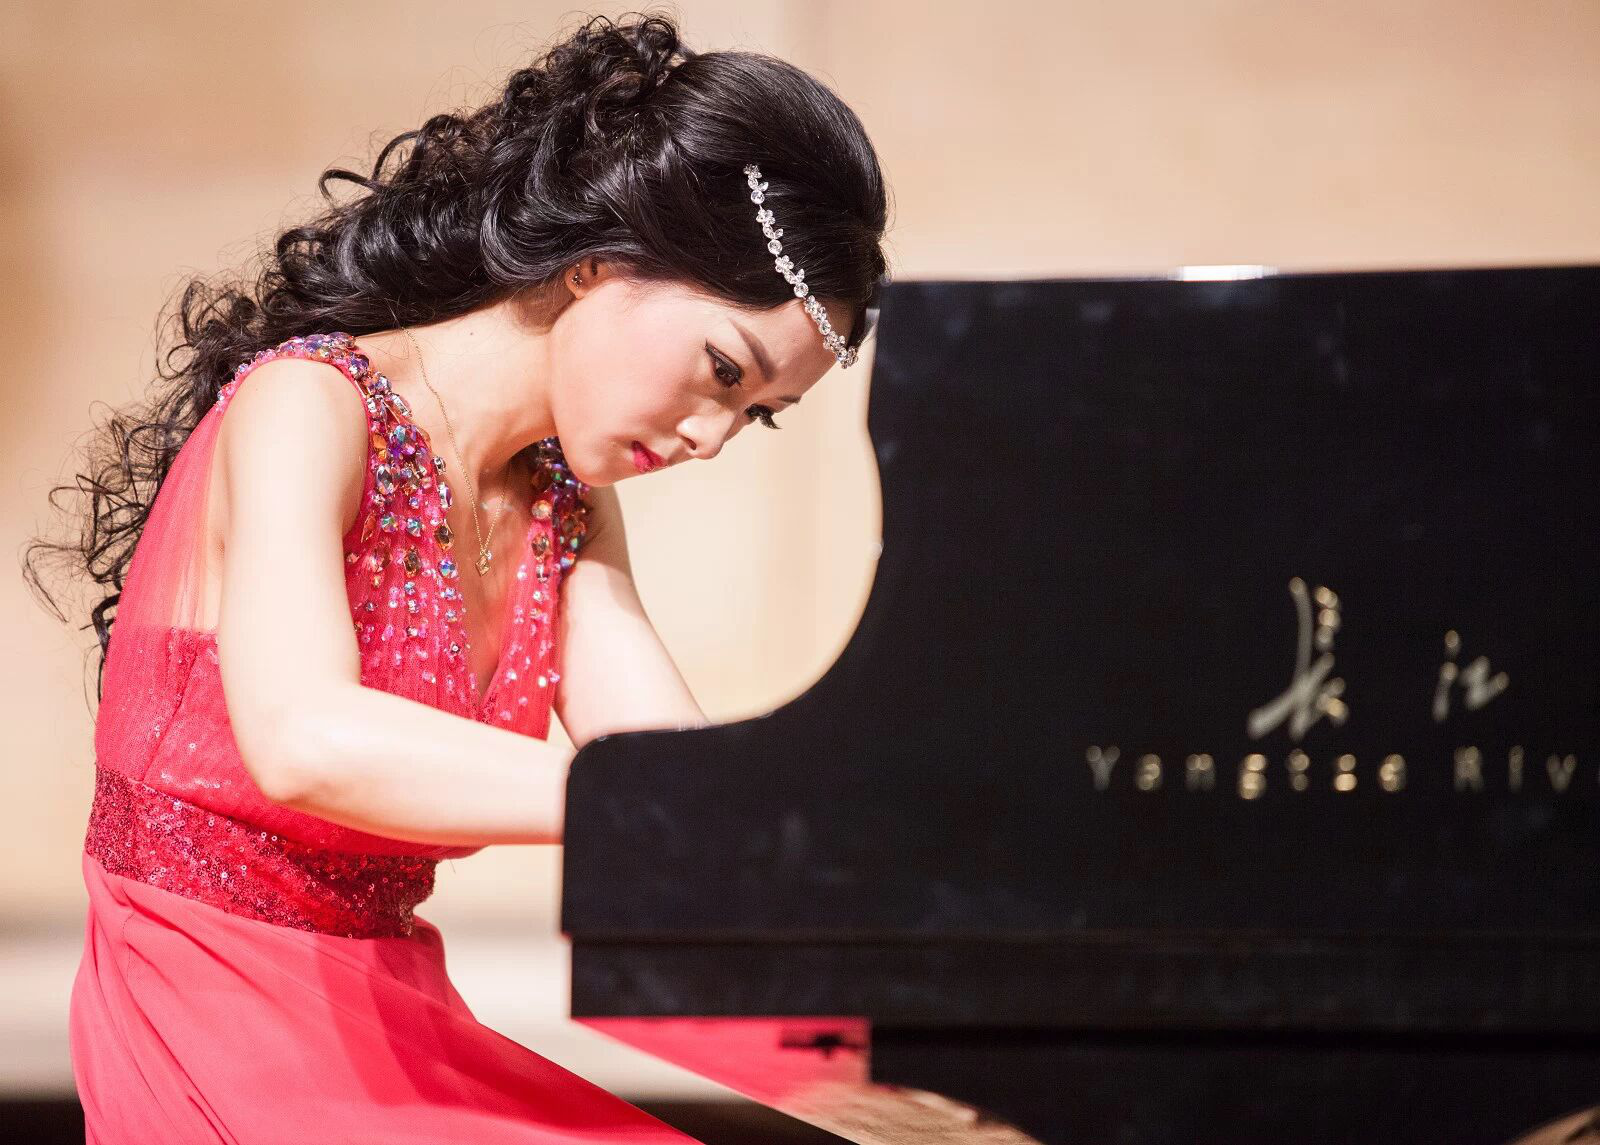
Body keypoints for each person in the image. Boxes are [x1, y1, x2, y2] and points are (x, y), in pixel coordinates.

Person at [27, 11, 888, 1140]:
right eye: (723, 371)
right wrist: (668, 805)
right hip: (207, 1011)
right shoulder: (309, 405)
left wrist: (894, 911)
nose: (712, 437)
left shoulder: (564, 505)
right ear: (599, 262)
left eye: (756, 413)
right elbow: (304, 741)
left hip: (381, 1016)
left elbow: (675, 770)